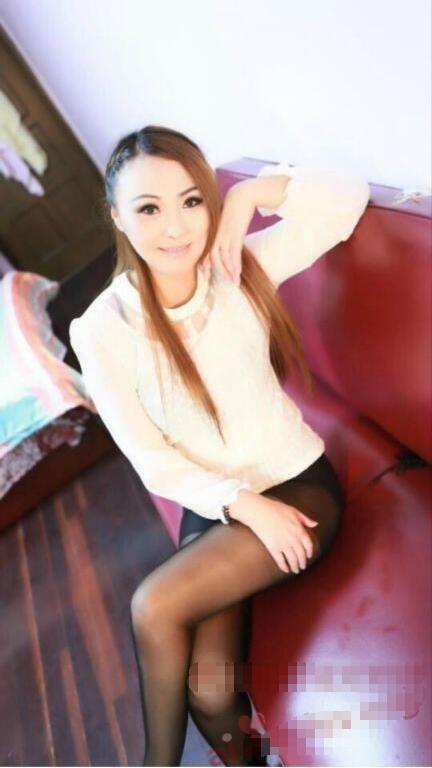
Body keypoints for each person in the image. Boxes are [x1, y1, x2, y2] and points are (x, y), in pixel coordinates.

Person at [69, 125, 370, 767]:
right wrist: (241, 504)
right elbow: (151, 459)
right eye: (149, 209)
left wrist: (246, 197)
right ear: (117, 217)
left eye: (191, 201)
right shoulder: (100, 330)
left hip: (297, 488)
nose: (175, 228)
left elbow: (347, 197)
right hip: (221, 509)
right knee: (209, 693)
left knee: (152, 604)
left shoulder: (239, 266)